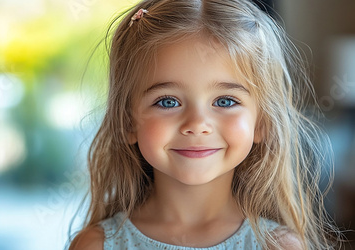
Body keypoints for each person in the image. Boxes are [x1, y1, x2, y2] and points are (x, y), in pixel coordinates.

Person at [69, 0, 340, 249]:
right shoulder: (96, 245)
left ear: (261, 122)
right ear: (127, 121)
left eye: (224, 101)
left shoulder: (279, 246)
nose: (197, 125)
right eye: (167, 102)